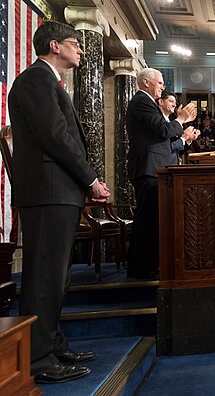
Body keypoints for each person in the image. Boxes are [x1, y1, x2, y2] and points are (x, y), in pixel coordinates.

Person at [8, 21, 111, 383]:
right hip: (49, 190)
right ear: (55, 45)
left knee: (57, 276)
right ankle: (36, 358)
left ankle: (52, 344)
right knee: (44, 275)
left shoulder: (48, 80)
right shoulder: (36, 79)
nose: (81, 50)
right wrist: (91, 179)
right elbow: (55, 136)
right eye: (74, 43)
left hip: (58, 191)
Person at [126, 68, 197, 279]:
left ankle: (148, 265)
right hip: (148, 168)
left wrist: (181, 134)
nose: (162, 87)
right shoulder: (142, 102)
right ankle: (140, 268)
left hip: (155, 168)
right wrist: (181, 119)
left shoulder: (147, 103)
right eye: (159, 83)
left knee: (152, 220)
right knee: (146, 220)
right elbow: (164, 132)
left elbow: (163, 138)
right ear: (146, 82)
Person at [157, 90, 201, 164]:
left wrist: (188, 139)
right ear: (161, 102)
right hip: (161, 164)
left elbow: (178, 151)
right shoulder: (159, 121)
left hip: (172, 164)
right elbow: (166, 148)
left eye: (175, 102)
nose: (174, 105)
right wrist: (184, 137)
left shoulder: (170, 122)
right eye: (171, 101)